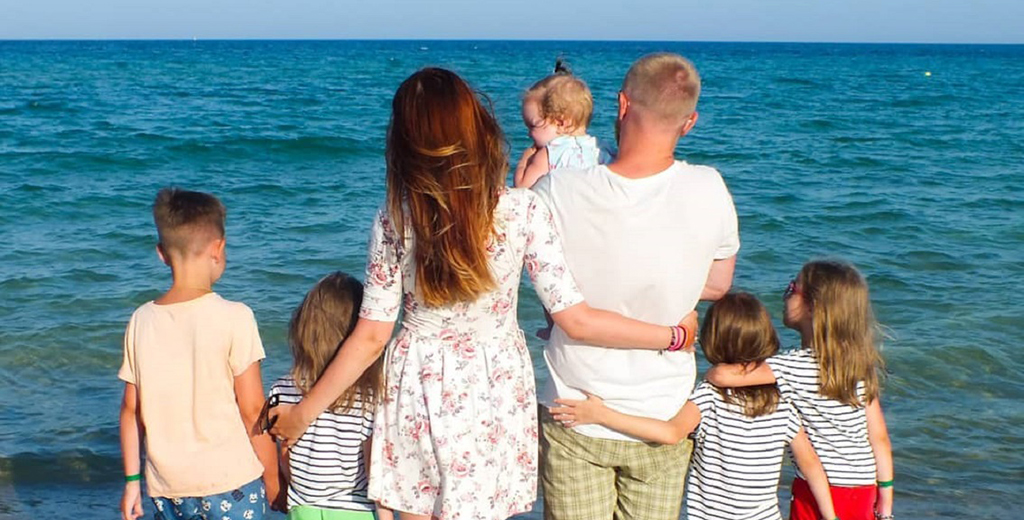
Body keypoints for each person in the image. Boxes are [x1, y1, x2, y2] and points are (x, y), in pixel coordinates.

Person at [269, 68, 697, 520]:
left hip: (418, 382)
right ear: (477, 129)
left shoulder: (396, 217)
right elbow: (576, 319)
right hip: (495, 382)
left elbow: (372, 337)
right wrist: (673, 337)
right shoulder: (522, 209)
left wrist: (303, 414)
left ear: (405, 143)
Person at [531, 52, 739, 520]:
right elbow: (717, 283)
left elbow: (556, 298)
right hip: (661, 412)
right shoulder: (709, 187)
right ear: (689, 122)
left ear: (623, 105)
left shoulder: (558, 191)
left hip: (574, 407)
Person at [550, 293, 840, 520]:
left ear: (713, 341)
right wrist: (830, 516)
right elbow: (811, 465)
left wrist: (601, 415)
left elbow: (670, 433)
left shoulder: (711, 397)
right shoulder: (781, 404)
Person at [118, 188, 279, 520]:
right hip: (231, 481)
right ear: (218, 249)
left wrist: (132, 482)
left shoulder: (141, 320)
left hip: (168, 489)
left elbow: (131, 411)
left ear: (162, 254)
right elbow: (252, 410)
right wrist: (274, 477)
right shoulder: (236, 316)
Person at [706, 260, 894, 520]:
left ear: (813, 306)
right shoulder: (858, 366)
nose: (785, 295)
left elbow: (722, 376)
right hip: (864, 486)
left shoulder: (792, 366)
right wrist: (885, 502)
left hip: (820, 489)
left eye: (792, 288)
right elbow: (879, 438)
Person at [269, 272, 393, 520]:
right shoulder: (371, 396)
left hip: (303, 510)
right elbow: (373, 467)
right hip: (355, 510)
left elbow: (285, 455)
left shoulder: (283, 389)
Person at [513, 64, 613, 189]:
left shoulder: (549, 154)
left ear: (561, 123)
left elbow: (523, 187)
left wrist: (524, 160)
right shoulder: (603, 149)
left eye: (533, 126)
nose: (529, 134)